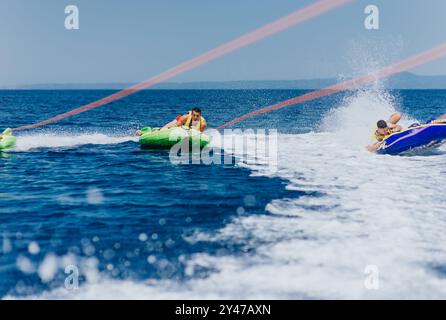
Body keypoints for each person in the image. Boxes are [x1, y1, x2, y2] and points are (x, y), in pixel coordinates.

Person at [135, 107, 207, 136]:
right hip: (178, 121)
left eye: (197, 116)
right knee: (164, 129)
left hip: (186, 128)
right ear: (191, 114)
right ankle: (143, 132)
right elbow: (175, 126)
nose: (195, 117)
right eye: (194, 115)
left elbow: (199, 133)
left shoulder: (203, 123)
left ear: (200, 115)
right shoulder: (185, 117)